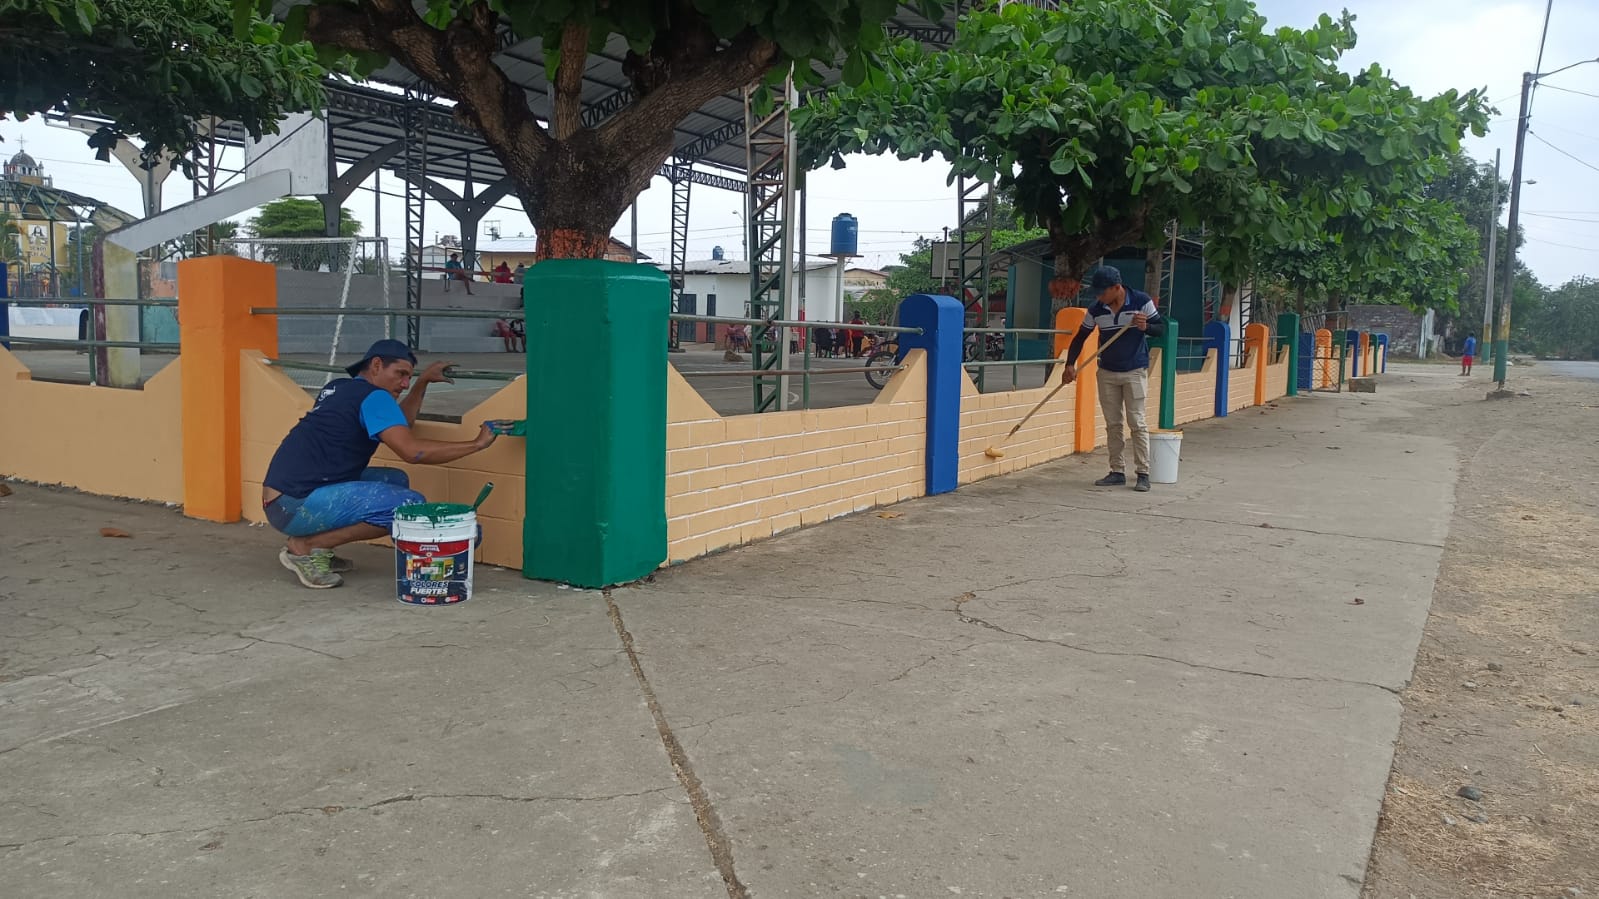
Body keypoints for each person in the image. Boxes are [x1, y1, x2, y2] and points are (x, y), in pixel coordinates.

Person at [261, 339, 501, 589]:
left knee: (396, 480)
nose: (405, 383)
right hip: (295, 504)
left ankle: (319, 547)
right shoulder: (375, 397)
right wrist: (476, 444)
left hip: (281, 497)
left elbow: (400, 425)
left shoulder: (338, 387)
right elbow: (413, 452)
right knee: (407, 505)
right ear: (376, 365)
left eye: (409, 377)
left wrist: (422, 382)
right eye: (400, 374)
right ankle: (305, 547)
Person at [1062, 265, 1165, 492]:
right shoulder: (1096, 310)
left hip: (1134, 370)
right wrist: (1070, 364)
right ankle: (1117, 471)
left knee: (1137, 422)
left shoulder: (1141, 301)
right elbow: (1081, 337)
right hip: (1107, 372)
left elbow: (1160, 329)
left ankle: (1143, 473)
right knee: (1113, 424)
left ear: (1117, 288)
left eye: (1102, 292)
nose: (1099, 297)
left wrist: (1146, 326)